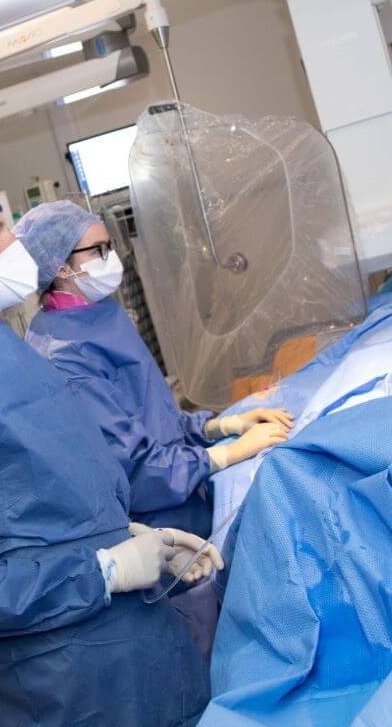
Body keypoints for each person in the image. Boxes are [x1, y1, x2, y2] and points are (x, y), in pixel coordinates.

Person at [0, 174, 223, 727]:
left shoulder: (11, 348)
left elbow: (57, 492)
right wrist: (103, 571)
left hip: (142, 659)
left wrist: (136, 536)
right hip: (62, 693)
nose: (14, 242)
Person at [15, 200, 293, 535]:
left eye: (110, 247)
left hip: (182, 488)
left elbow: (151, 416)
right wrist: (227, 455)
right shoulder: (63, 355)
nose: (111, 259)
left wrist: (222, 426)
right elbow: (132, 467)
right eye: (97, 250)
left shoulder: (99, 314)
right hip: (157, 524)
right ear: (60, 267)